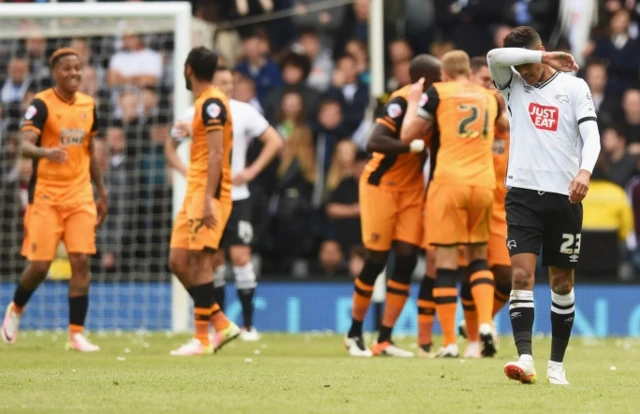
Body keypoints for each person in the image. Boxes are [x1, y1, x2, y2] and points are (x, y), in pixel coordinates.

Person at [487, 26, 601, 384]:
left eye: (530, 62)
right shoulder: (512, 83)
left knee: (562, 283)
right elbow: (494, 57)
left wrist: (585, 170)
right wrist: (540, 58)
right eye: (520, 64)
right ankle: (525, 358)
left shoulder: (574, 87)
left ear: (540, 47)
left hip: (564, 196)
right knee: (520, 275)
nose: (525, 72)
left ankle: (556, 364)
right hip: (521, 193)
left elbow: (591, 135)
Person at [1, 48, 108, 352]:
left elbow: (89, 151)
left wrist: (103, 191)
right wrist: (45, 152)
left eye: (78, 68)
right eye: (68, 69)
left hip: (80, 194)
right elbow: (24, 145)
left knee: (80, 261)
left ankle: (76, 334)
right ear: (55, 73)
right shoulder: (41, 104)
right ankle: (16, 310)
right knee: (39, 265)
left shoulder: (89, 104)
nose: (75, 74)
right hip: (46, 194)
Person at [167, 65, 283, 342]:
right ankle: (216, 324)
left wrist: (252, 172)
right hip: (207, 197)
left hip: (237, 196)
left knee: (240, 257)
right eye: (222, 81)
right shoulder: (193, 112)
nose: (227, 87)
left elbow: (275, 141)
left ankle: (248, 326)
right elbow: (170, 146)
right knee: (212, 261)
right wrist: (186, 173)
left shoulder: (244, 111)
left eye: (231, 82)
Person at [401, 50, 504, 358]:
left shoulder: (438, 93)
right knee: (478, 258)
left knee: (445, 263)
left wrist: (412, 102)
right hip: (483, 184)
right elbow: (504, 125)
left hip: (449, 183)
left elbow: (409, 134)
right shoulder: (489, 97)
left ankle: (448, 342)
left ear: (444, 74)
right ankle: (485, 323)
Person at [344, 54, 441, 358]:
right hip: (381, 186)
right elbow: (374, 141)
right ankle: (354, 333)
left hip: (412, 190)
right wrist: (411, 146)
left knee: (407, 259)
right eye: (439, 78)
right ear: (424, 80)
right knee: (376, 259)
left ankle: (384, 339)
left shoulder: (437, 105)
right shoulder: (399, 101)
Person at [167, 47, 240, 356]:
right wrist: (192, 132)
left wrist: (209, 198)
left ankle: (201, 339)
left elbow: (217, 153)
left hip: (208, 194)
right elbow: (207, 145)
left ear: (188, 70)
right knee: (178, 261)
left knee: (201, 261)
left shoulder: (211, 103)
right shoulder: (203, 105)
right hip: (195, 192)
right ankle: (221, 323)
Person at [456, 56, 513, 359]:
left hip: (504, 212)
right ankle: (477, 336)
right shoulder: (465, 125)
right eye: (481, 81)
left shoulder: (511, 125)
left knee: (505, 276)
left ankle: (480, 323)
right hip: (472, 205)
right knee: (472, 270)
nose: (488, 88)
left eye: (492, 82)